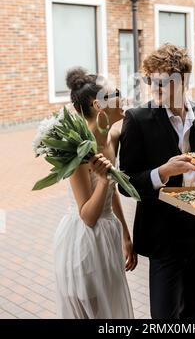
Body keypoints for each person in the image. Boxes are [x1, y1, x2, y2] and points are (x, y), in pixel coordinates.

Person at [119, 44, 195, 320]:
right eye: (151, 81)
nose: (154, 87)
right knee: (163, 318)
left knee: (192, 314)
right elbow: (124, 183)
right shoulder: (137, 119)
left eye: (163, 82)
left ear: (184, 81)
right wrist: (162, 172)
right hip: (164, 236)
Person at [54, 67, 136, 319]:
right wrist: (101, 182)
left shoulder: (112, 136)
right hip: (85, 243)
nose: (123, 98)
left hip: (108, 235)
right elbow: (87, 216)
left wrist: (125, 234)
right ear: (98, 104)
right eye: (117, 93)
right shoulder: (77, 147)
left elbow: (112, 191)